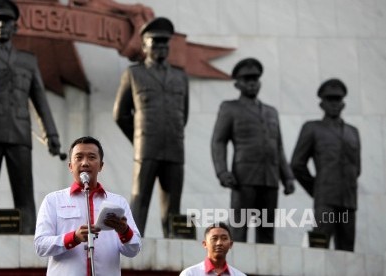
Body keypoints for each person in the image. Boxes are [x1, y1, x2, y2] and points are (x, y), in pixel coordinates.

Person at [0, 0, 61, 234]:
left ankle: (30, 239)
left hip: (19, 131)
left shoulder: (28, 61)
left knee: (24, 192)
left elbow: (40, 100)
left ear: (15, 27)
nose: (0, 25)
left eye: (6, 21)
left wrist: (51, 134)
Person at [113, 17, 189, 237]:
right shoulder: (134, 74)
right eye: (155, 42)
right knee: (140, 200)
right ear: (144, 45)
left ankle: (176, 247)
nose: (161, 47)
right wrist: (139, 139)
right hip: (146, 148)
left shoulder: (180, 76)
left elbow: (183, 114)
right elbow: (120, 114)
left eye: (164, 43)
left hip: (174, 148)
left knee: (173, 205)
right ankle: (133, 243)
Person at [210, 58, 295, 244]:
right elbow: (218, 141)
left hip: (270, 179)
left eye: (255, 79)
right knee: (239, 230)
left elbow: (278, 147)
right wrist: (222, 172)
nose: (252, 83)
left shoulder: (271, 112)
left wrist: (287, 177)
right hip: (243, 178)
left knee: (266, 232)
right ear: (237, 84)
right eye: (247, 79)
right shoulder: (229, 108)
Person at [34, 136, 141, 275]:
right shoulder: (53, 201)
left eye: (91, 157)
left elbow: (134, 250)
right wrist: (73, 238)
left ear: (101, 165)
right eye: (79, 157)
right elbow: (40, 246)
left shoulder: (118, 202)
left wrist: (124, 231)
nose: (85, 163)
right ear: (70, 166)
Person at [291, 79, 361, 251]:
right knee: (319, 245)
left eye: (337, 100)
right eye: (330, 100)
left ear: (343, 103)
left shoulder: (353, 132)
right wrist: (316, 189)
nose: (334, 104)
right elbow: (297, 164)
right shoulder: (312, 128)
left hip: (348, 200)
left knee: (347, 250)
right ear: (322, 103)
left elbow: (356, 168)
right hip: (325, 199)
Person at [180, 222, 246, 276]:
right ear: (205, 244)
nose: (219, 243)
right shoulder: (190, 274)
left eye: (224, 238)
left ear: (230, 244)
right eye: (214, 238)